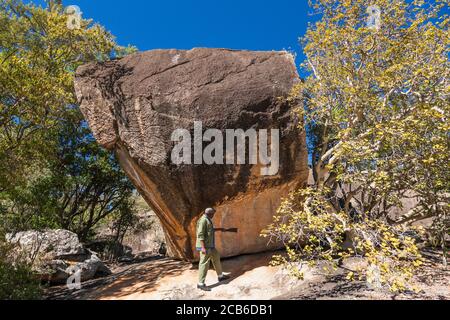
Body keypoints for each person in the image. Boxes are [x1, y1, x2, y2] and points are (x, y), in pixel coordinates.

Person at [196, 207, 235, 291]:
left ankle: (220, 276)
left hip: (210, 246)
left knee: (216, 257)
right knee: (204, 263)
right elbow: (200, 235)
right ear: (209, 213)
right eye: (213, 214)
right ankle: (200, 283)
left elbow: (210, 230)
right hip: (205, 246)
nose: (213, 215)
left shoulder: (207, 219)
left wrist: (220, 229)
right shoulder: (203, 220)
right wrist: (202, 248)